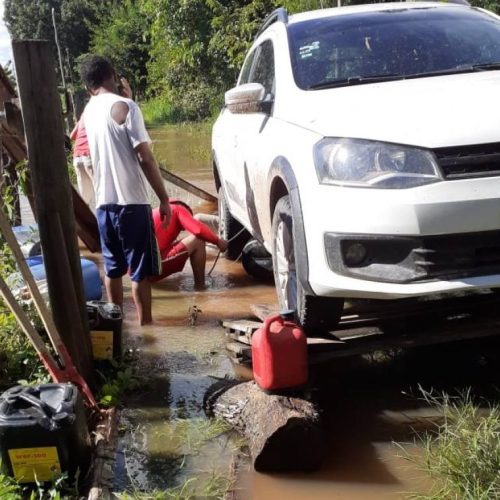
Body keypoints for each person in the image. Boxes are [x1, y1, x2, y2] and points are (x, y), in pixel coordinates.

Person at [79, 55, 171, 325]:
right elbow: (144, 157)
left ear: (88, 87)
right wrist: (164, 199)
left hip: (103, 205)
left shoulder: (88, 111)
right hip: (132, 203)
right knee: (139, 272)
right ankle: (147, 329)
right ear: (113, 75)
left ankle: (115, 326)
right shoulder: (126, 106)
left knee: (113, 268)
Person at [151, 200, 228, 289]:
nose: (183, 229)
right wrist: (218, 241)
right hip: (151, 270)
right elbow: (198, 230)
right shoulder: (177, 209)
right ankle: (200, 288)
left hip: (137, 271)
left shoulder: (156, 212)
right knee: (198, 240)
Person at [70, 116, 94, 207]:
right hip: (90, 155)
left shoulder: (85, 114)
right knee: (103, 196)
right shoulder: (104, 110)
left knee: (85, 201)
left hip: (77, 157)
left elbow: (72, 135)